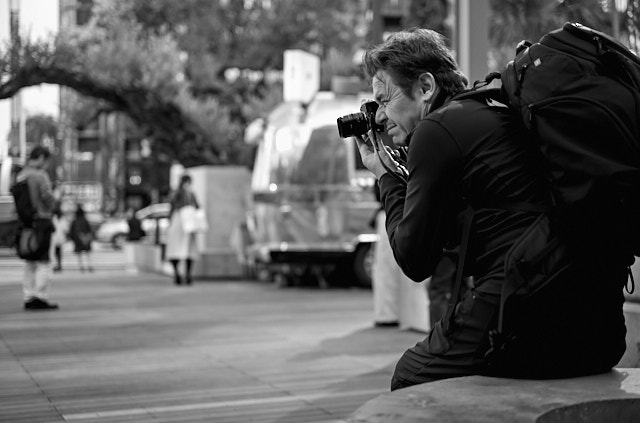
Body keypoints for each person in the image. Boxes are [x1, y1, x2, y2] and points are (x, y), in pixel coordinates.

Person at [355, 28, 627, 390]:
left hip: (530, 321)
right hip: (601, 331)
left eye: (384, 100)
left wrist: (385, 176)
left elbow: (414, 259)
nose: (379, 118)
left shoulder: (435, 130)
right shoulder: (495, 109)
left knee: (411, 375)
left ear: (425, 87)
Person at [16, 146, 59, 310]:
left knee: (29, 261)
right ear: (41, 157)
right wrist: (55, 200)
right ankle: (40, 297)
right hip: (42, 221)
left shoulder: (21, 175)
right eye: (46, 160)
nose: (46, 164)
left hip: (25, 223)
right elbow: (48, 198)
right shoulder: (40, 176)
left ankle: (28, 296)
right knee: (44, 261)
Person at [165, 174, 200, 285]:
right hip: (181, 223)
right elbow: (197, 207)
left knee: (186, 250)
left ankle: (184, 274)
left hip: (183, 223)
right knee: (179, 250)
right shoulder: (183, 194)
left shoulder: (188, 194)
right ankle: (180, 274)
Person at [69, 204, 94, 272]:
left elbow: (71, 231)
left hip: (78, 239)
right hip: (85, 239)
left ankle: (81, 266)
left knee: (79, 254)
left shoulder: (75, 221)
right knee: (87, 253)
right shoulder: (85, 220)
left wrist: (72, 238)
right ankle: (89, 266)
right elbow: (89, 230)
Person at [50, 205, 69, 272]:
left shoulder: (54, 218)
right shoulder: (59, 219)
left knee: (56, 253)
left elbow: (66, 229)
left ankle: (57, 265)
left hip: (56, 238)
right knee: (56, 253)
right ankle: (56, 265)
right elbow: (66, 229)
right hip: (56, 238)